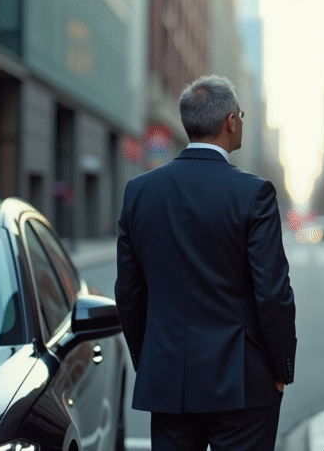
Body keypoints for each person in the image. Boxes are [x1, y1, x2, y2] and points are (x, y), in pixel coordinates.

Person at [115, 75, 297, 451]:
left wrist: (148, 360)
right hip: (243, 381)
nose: (241, 122)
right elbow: (273, 293)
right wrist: (281, 369)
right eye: (241, 116)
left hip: (169, 377)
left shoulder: (139, 192)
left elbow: (129, 293)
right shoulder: (254, 193)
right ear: (230, 121)